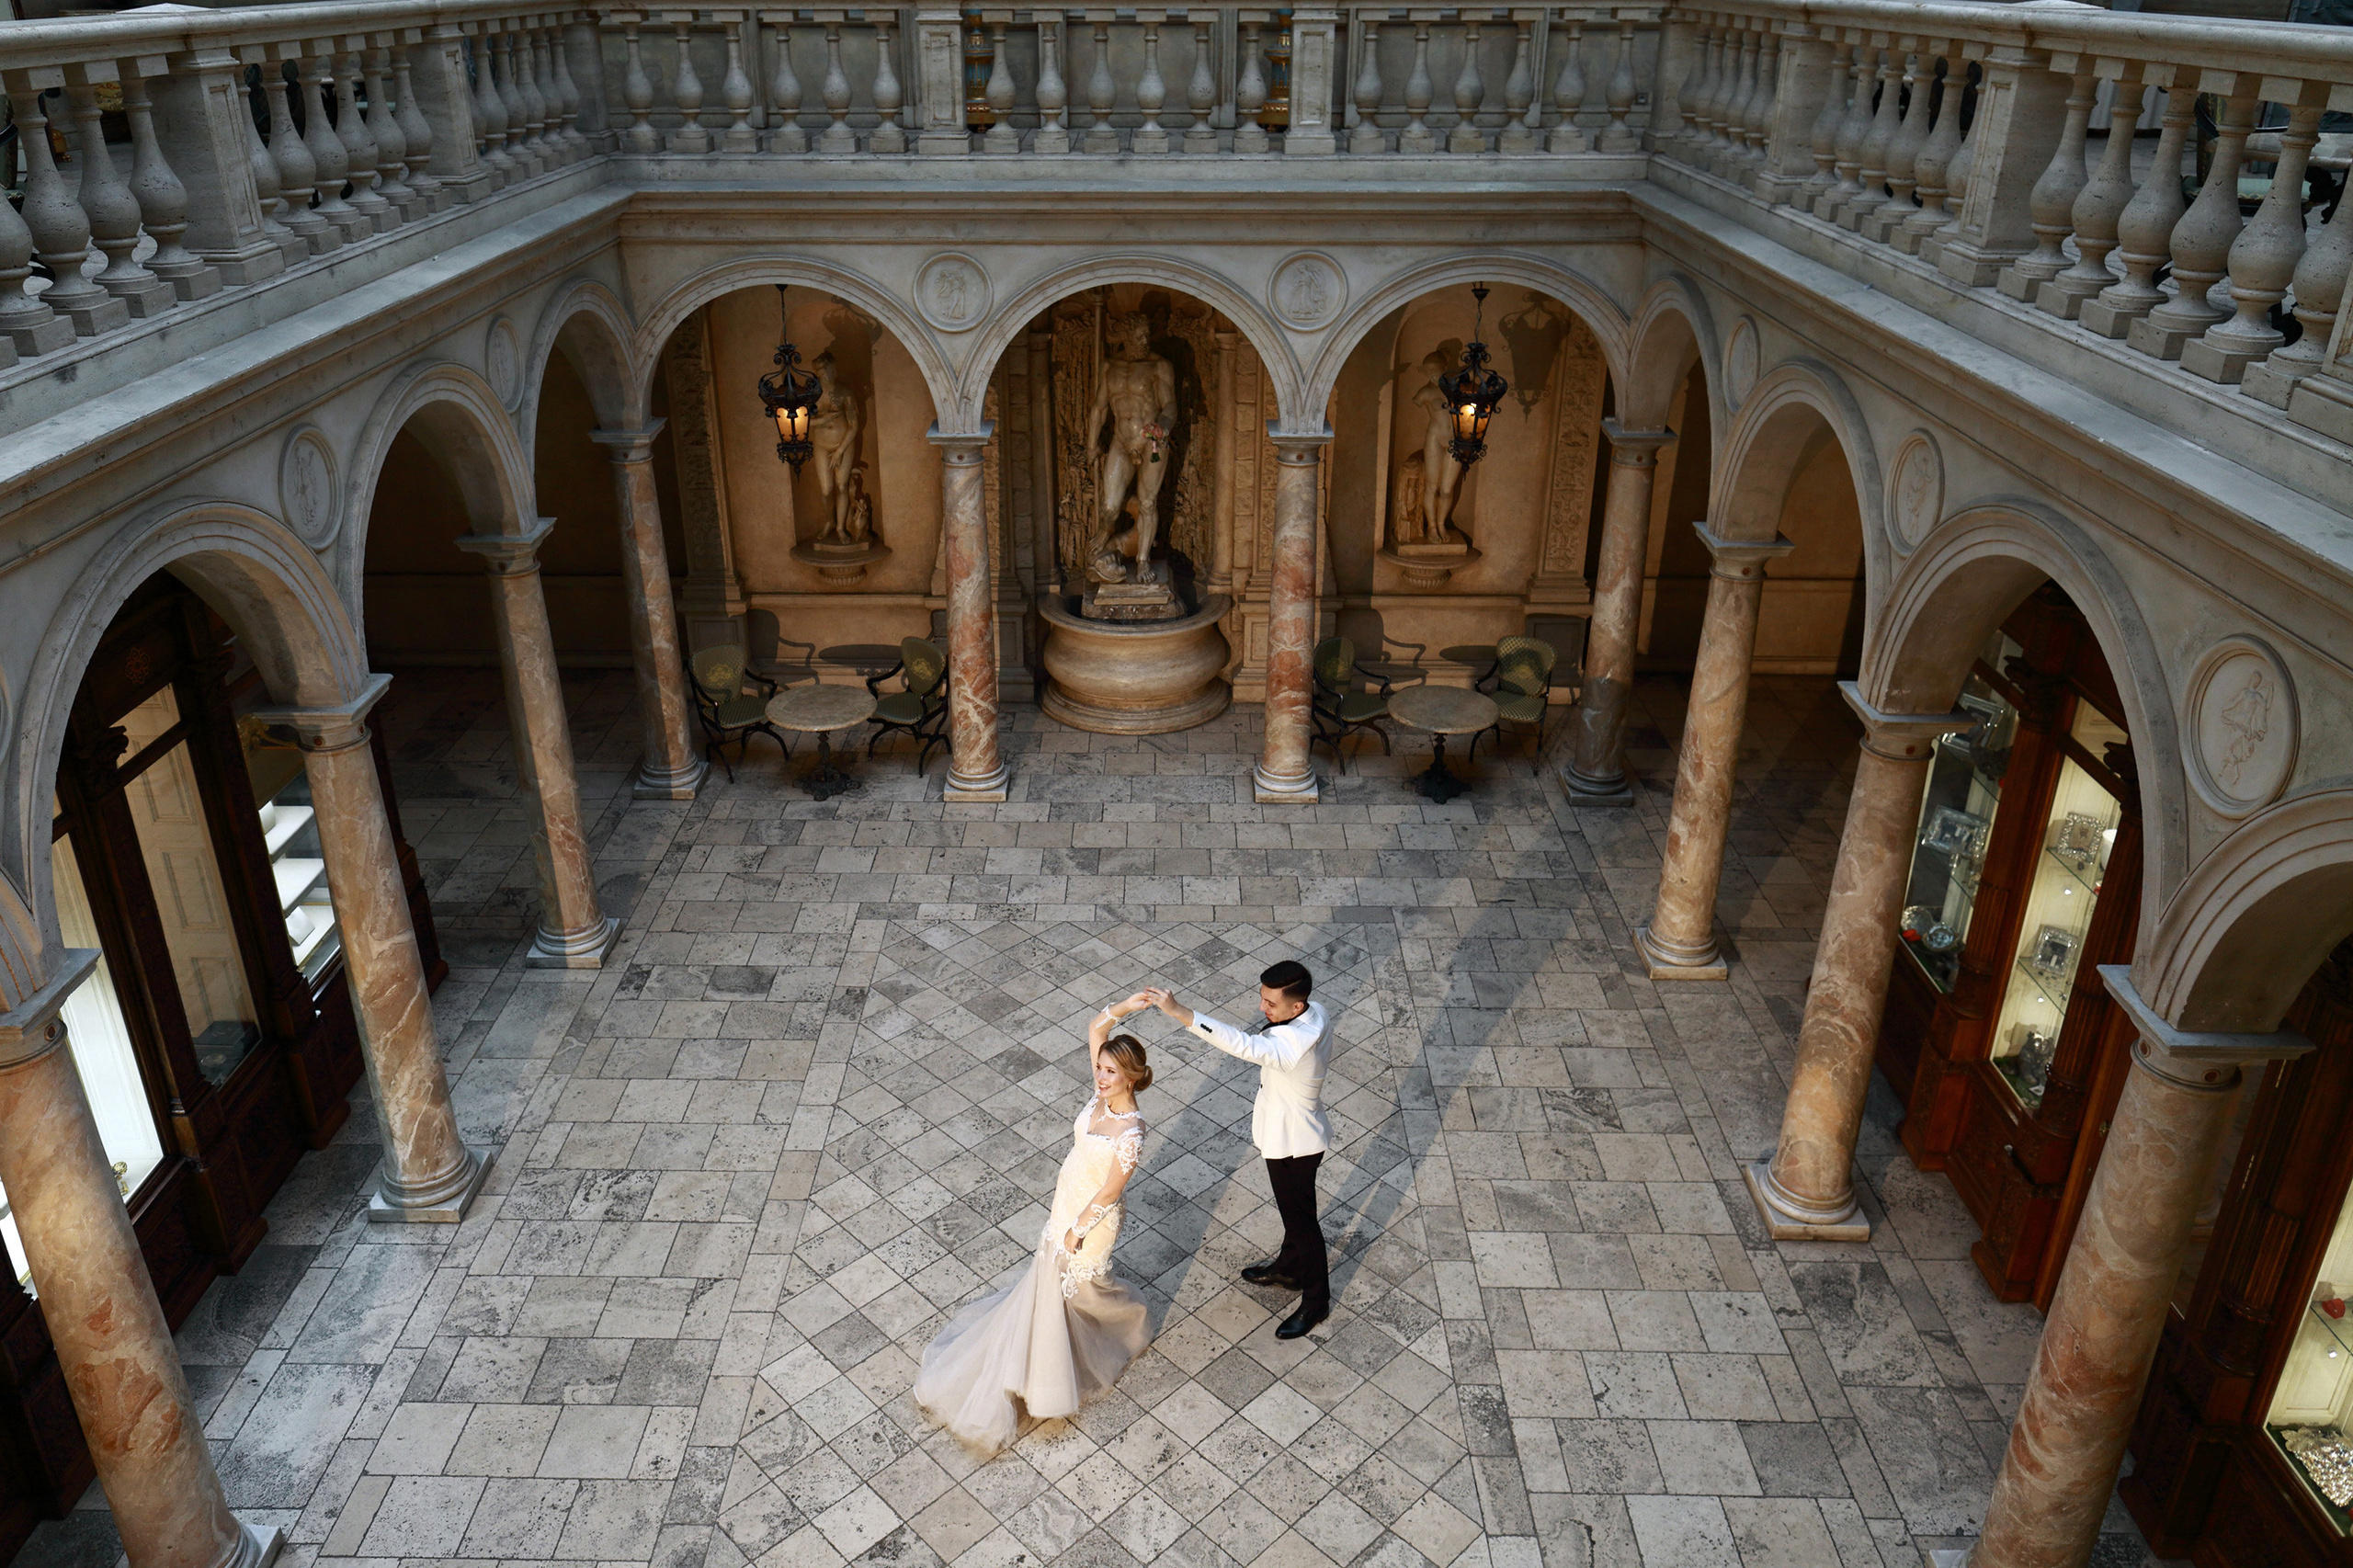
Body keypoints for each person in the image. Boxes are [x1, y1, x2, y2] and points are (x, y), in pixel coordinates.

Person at [912, 994, 1156, 1456]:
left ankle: (1114, 1329)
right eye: (1100, 1069)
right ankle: (1044, 1358)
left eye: (1110, 1072)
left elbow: (1110, 1191)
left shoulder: (1131, 1131)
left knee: (1082, 1285)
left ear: (1131, 1077)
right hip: (1063, 1203)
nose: (1100, 1078)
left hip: (1091, 1219)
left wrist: (1078, 1229)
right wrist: (1125, 1005)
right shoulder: (1099, 1097)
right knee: (1050, 1283)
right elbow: (1094, 1030)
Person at [1143, 960, 1333, 1339]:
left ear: (1296, 1007)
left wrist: (1181, 1013)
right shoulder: (1316, 1012)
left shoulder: (1290, 1045)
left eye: (1271, 1004)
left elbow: (1242, 1044)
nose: (1263, 1009)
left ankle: (1316, 1300)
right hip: (1300, 1133)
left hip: (1292, 1145)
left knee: (1302, 1223)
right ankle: (1290, 1268)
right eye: (1262, 999)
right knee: (1297, 1213)